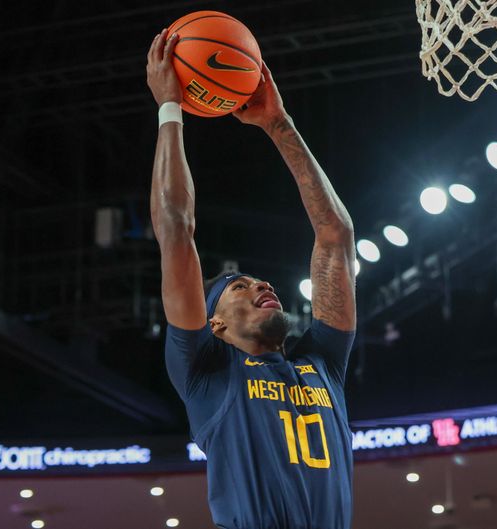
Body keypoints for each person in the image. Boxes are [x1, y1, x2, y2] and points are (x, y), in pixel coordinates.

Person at [146, 28, 356, 529]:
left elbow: (336, 235)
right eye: (240, 286)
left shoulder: (322, 360)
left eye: (262, 282)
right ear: (213, 324)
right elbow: (176, 229)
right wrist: (170, 109)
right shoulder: (206, 374)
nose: (264, 286)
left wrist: (278, 123)